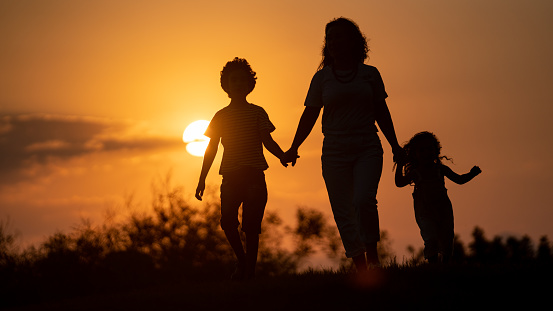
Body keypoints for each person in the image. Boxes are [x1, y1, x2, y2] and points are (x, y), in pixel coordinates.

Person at [282, 17, 404, 272]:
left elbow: (382, 111)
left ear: (354, 42)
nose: (335, 42)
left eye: (340, 37)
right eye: (330, 38)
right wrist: (294, 147)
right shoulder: (322, 78)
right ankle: (360, 267)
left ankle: (373, 258)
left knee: (363, 200)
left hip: (367, 146)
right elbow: (309, 115)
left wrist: (395, 146)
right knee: (342, 209)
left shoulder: (370, 74)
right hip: (335, 150)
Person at [195, 57, 288, 280]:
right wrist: (201, 178)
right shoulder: (220, 116)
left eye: (242, 81)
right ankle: (243, 260)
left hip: (254, 176)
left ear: (249, 85)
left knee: (251, 227)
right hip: (230, 177)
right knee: (227, 222)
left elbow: (268, 140)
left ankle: (250, 273)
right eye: (233, 80)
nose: (238, 84)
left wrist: (282, 155)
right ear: (226, 86)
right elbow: (211, 148)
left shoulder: (258, 112)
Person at [395, 131, 482, 264]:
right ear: (414, 154)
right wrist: (400, 165)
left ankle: (446, 266)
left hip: (443, 209)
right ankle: (433, 265)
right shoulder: (416, 173)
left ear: (436, 151)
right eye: (421, 150)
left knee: (447, 237)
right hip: (424, 211)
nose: (426, 153)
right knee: (431, 238)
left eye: (430, 149)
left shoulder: (441, 169)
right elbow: (399, 183)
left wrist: (472, 174)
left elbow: (459, 180)